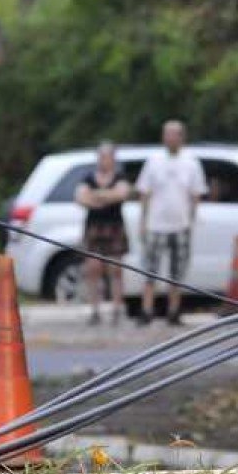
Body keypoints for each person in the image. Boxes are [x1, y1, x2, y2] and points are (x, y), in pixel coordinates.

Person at [136, 119, 206, 323]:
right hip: (156, 225)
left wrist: (192, 218)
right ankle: (146, 310)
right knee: (150, 269)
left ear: (181, 137)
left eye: (174, 134)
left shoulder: (191, 162)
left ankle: (173, 311)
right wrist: (143, 221)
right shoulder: (154, 160)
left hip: (181, 224)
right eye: (166, 134)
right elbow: (144, 192)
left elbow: (196, 193)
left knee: (178, 270)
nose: (170, 138)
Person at [75, 141, 132, 322]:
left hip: (114, 226)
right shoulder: (88, 178)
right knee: (93, 269)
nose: (105, 160)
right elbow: (81, 198)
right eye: (102, 156)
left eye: (108, 157)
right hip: (94, 227)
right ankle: (95, 311)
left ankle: (116, 309)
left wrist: (96, 196)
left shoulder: (120, 176)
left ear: (113, 159)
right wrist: (108, 196)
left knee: (116, 269)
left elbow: (121, 194)